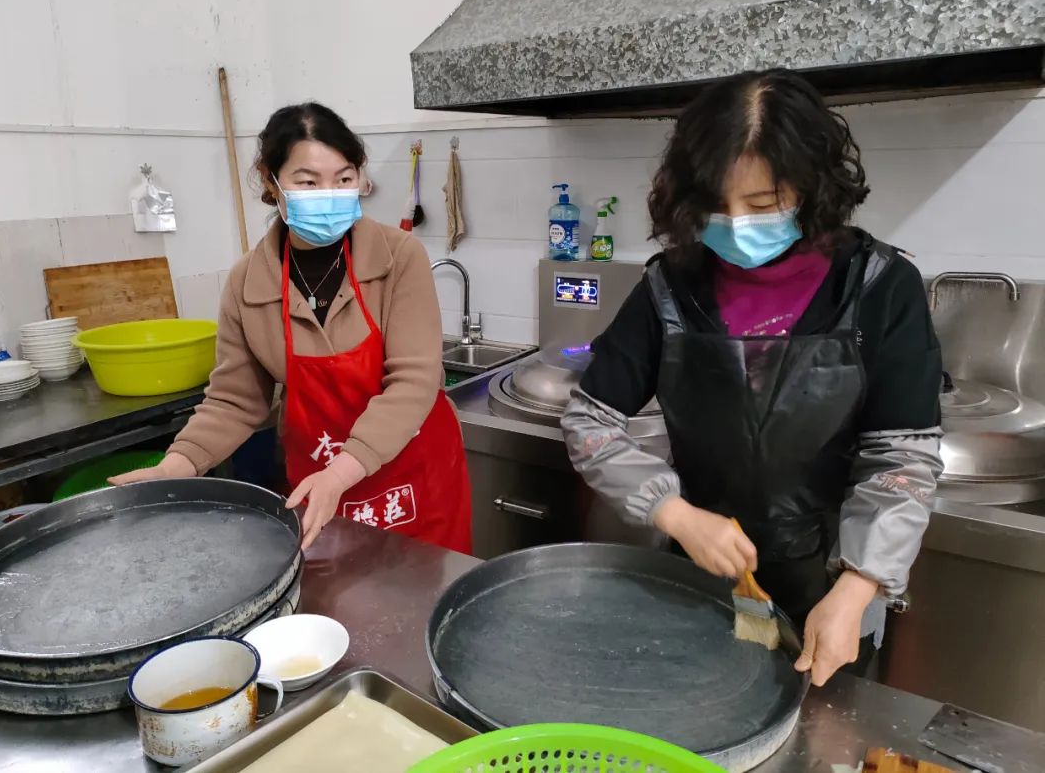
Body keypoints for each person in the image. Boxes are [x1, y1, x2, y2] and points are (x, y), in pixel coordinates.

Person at [561, 69, 943, 686]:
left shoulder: (879, 287)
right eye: (716, 205)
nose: (735, 225)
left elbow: (901, 456)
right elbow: (590, 422)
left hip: (834, 588)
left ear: (813, 185)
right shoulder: (670, 286)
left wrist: (857, 588)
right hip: (702, 572)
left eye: (762, 206)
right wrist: (675, 514)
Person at [114, 103, 472, 554]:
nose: (331, 193)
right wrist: (178, 464)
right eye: (308, 182)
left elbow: (414, 380)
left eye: (344, 179)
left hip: (414, 483)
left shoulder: (398, 256)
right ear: (272, 182)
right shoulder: (249, 282)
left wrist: (341, 474)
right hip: (318, 484)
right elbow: (235, 399)